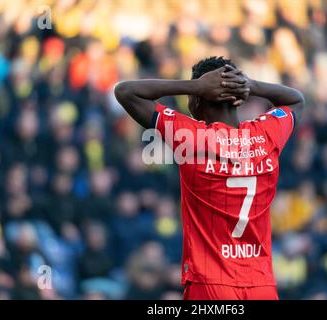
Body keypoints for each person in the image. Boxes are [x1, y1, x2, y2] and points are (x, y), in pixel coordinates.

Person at [114, 56, 305, 300]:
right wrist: (250, 85)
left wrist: (193, 86)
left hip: (209, 285)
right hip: (262, 286)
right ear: (238, 98)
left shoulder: (189, 137)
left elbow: (126, 91)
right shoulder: (266, 134)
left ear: (195, 101)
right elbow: (296, 100)